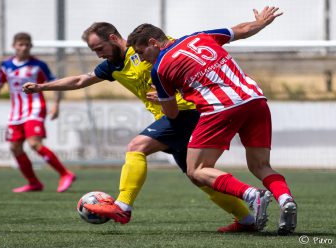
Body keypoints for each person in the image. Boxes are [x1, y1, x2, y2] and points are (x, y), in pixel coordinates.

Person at [23, 23, 259, 233]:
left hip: (187, 111)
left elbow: (183, 57)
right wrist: (42, 87)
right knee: (198, 177)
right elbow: (79, 80)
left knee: (137, 146)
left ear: (114, 38)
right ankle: (248, 219)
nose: (98, 55)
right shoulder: (112, 66)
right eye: (94, 51)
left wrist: (256, 24)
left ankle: (123, 206)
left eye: (99, 48)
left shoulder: (147, 46)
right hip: (172, 116)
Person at [126, 7, 297, 235]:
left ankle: (252, 195)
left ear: (153, 42)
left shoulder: (159, 69)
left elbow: (173, 114)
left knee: (196, 170)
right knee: (260, 165)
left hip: (221, 108)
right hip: (255, 99)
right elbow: (243, 29)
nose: (141, 58)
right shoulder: (200, 36)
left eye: (141, 52)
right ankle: (286, 200)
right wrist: (262, 23)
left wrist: (163, 100)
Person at [0, 32, 76, 193]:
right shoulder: (6, 65)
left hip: (35, 108)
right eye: (20, 45)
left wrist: (56, 105)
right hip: (16, 112)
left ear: (30, 46)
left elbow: (55, 84)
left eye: (27, 45)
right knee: (15, 147)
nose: (24, 48)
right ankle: (33, 183)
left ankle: (65, 174)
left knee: (34, 144)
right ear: (14, 46)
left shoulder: (39, 65)